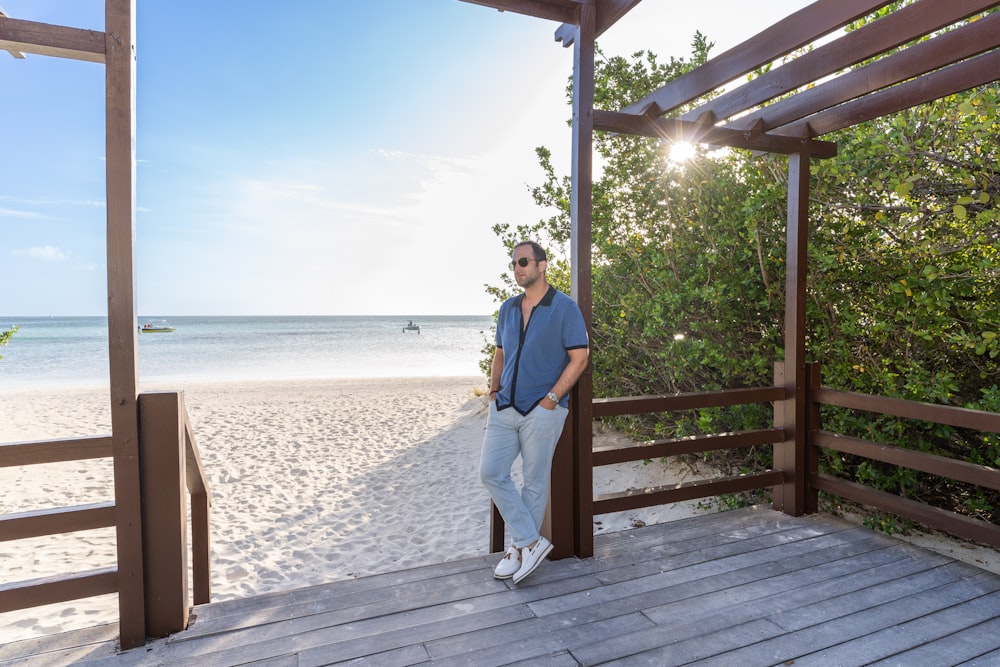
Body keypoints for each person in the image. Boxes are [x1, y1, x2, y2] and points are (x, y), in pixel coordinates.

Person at [480, 240, 589, 584]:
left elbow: (580, 357)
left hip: (543, 409)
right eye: (514, 263)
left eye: (524, 262)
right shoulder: (508, 309)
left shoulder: (564, 308)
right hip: (504, 408)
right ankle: (531, 541)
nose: (517, 268)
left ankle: (517, 549)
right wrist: (494, 389)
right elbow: (500, 353)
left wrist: (552, 399)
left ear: (542, 265)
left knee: (535, 482)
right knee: (491, 473)